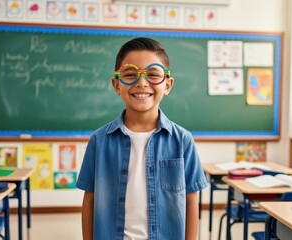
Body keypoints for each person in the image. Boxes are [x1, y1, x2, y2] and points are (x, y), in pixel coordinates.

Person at [76, 37, 207, 240]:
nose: (142, 83)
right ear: (116, 84)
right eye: (130, 74)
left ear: (168, 85)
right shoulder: (99, 140)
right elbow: (89, 201)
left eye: (153, 75)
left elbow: (191, 201)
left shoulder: (183, 140)